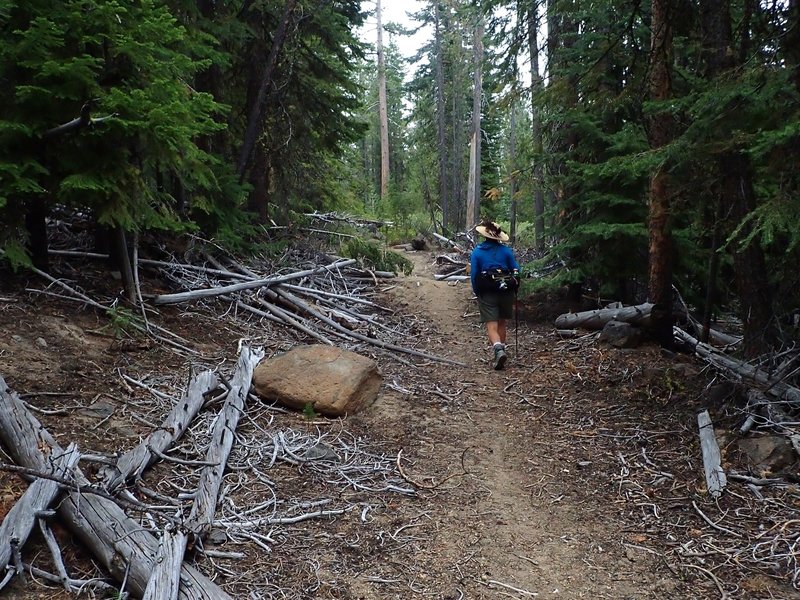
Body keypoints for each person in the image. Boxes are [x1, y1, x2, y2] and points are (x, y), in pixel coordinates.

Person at [470, 220, 520, 370]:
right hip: (506, 291)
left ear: (484, 236)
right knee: (502, 322)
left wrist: (477, 291)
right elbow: (516, 269)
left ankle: (498, 350)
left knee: (492, 325)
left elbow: (474, 274)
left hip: (487, 292)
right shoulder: (505, 251)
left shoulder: (477, 252)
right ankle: (501, 350)